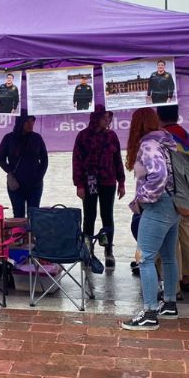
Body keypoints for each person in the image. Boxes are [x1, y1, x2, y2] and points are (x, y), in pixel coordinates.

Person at [121, 107, 180, 331]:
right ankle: (170, 304)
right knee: (167, 256)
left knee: (144, 258)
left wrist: (143, 198)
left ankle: (149, 313)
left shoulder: (148, 145)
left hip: (158, 205)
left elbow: (159, 175)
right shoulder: (166, 142)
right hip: (173, 204)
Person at [156, 105, 189, 295]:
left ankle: (173, 286)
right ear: (177, 115)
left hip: (173, 193)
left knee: (171, 240)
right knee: (185, 233)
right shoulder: (186, 136)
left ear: (158, 116)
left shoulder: (161, 137)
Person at [71, 106, 125, 267]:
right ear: (96, 118)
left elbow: (118, 160)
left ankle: (108, 251)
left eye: (109, 118)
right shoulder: (83, 136)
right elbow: (76, 161)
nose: (107, 121)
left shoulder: (112, 136)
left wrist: (121, 182)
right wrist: (79, 184)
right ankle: (88, 251)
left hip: (109, 181)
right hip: (90, 181)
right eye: (104, 118)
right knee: (89, 216)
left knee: (107, 216)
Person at [0, 114, 48, 218]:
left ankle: (32, 234)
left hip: (35, 185)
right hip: (16, 185)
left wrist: (39, 176)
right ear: (20, 123)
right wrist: (11, 172)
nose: (31, 124)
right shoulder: (9, 138)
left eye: (32, 121)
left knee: (34, 215)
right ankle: (19, 234)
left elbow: (44, 160)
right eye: (27, 122)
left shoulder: (37, 138)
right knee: (18, 215)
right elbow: (1, 160)